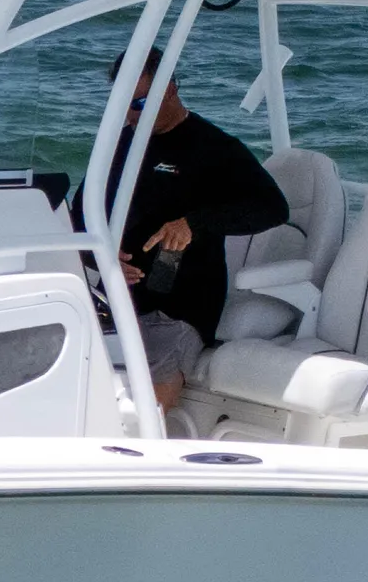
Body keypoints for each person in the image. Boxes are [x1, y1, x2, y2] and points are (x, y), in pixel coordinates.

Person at [102, 53, 293, 416]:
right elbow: (86, 207)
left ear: (170, 91)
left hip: (181, 298)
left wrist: (194, 224)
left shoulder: (215, 149)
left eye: (139, 104)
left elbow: (273, 208)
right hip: (117, 294)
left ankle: (144, 447)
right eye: (122, 104)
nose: (130, 116)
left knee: (151, 389)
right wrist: (100, 253)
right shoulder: (122, 142)